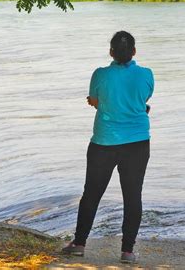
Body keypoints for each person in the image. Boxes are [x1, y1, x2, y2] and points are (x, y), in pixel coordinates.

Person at [62, 31, 154, 264]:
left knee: (91, 194)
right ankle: (127, 252)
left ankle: (79, 244)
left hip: (104, 143)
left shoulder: (100, 75)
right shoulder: (146, 74)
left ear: (111, 52)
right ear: (134, 51)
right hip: (138, 143)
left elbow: (94, 100)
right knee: (133, 196)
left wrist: (101, 103)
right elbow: (142, 100)